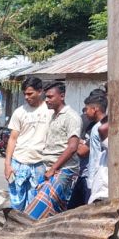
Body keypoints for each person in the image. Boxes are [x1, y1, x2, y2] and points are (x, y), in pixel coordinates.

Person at [24, 81, 82, 220]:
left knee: (38, 209)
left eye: (50, 97)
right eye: (46, 97)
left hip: (64, 169)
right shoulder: (53, 116)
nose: (47, 100)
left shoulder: (71, 117)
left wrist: (53, 169)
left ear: (61, 96)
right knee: (52, 209)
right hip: (49, 167)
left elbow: (73, 147)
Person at [4, 77, 51, 211]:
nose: (26, 97)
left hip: (40, 164)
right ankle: (16, 229)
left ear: (40, 91)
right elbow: (12, 138)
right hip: (18, 162)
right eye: (24, 93)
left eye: (30, 93)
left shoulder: (50, 111)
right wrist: (7, 164)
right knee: (16, 202)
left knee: (35, 203)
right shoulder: (19, 112)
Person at [78, 91, 107, 204]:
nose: (85, 113)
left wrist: (91, 181)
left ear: (94, 109)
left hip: (96, 178)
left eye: (87, 109)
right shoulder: (99, 126)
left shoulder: (98, 129)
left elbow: (95, 156)